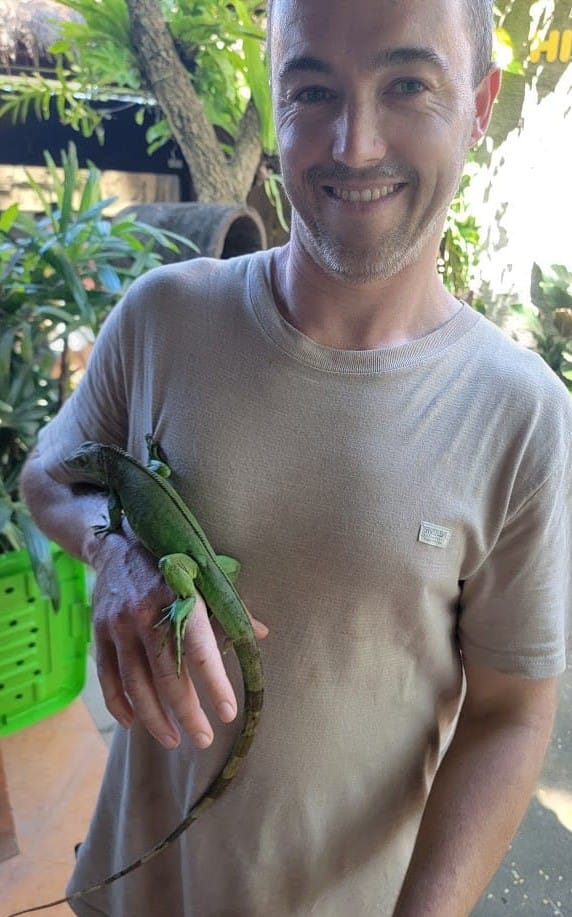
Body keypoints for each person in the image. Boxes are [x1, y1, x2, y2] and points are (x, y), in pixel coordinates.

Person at [21, 0, 571, 914]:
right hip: (135, 893)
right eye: (312, 89)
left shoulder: (528, 419)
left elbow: (512, 712)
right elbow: (47, 473)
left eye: (406, 84)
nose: (353, 144)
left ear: (480, 103)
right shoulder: (161, 318)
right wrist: (110, 551)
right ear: (273, 106)